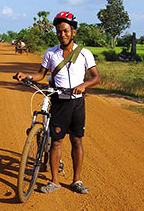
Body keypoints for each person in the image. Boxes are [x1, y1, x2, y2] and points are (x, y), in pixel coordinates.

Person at [15, 11, 100, 194]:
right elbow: (41, 75)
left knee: (77, 141)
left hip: (77, 103)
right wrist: (27, 76)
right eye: (59, 31)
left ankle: (77, 180)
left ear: (74, 32)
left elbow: (96, 77)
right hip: (59, 102)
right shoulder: (50, 53)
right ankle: (55, 181)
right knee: (56, 142)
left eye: (66, 31)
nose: (62, 34)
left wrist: (84, 85)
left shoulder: (85, 54)